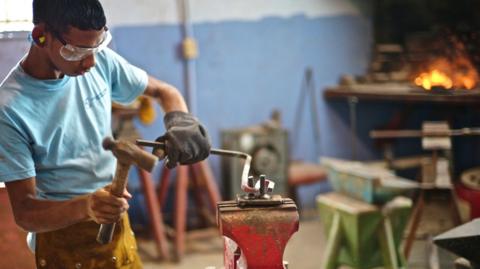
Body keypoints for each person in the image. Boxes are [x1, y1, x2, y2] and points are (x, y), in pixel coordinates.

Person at [0, 0, 211, 268]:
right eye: (77, 51)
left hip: (118, 224)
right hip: (63, 240)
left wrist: (181, 121)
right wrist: (87, 206)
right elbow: (26, 213)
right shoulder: (9, 109)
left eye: (97, 47)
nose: (90, 62)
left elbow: (164, 92)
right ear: (41, 35)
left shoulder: (100, 62)